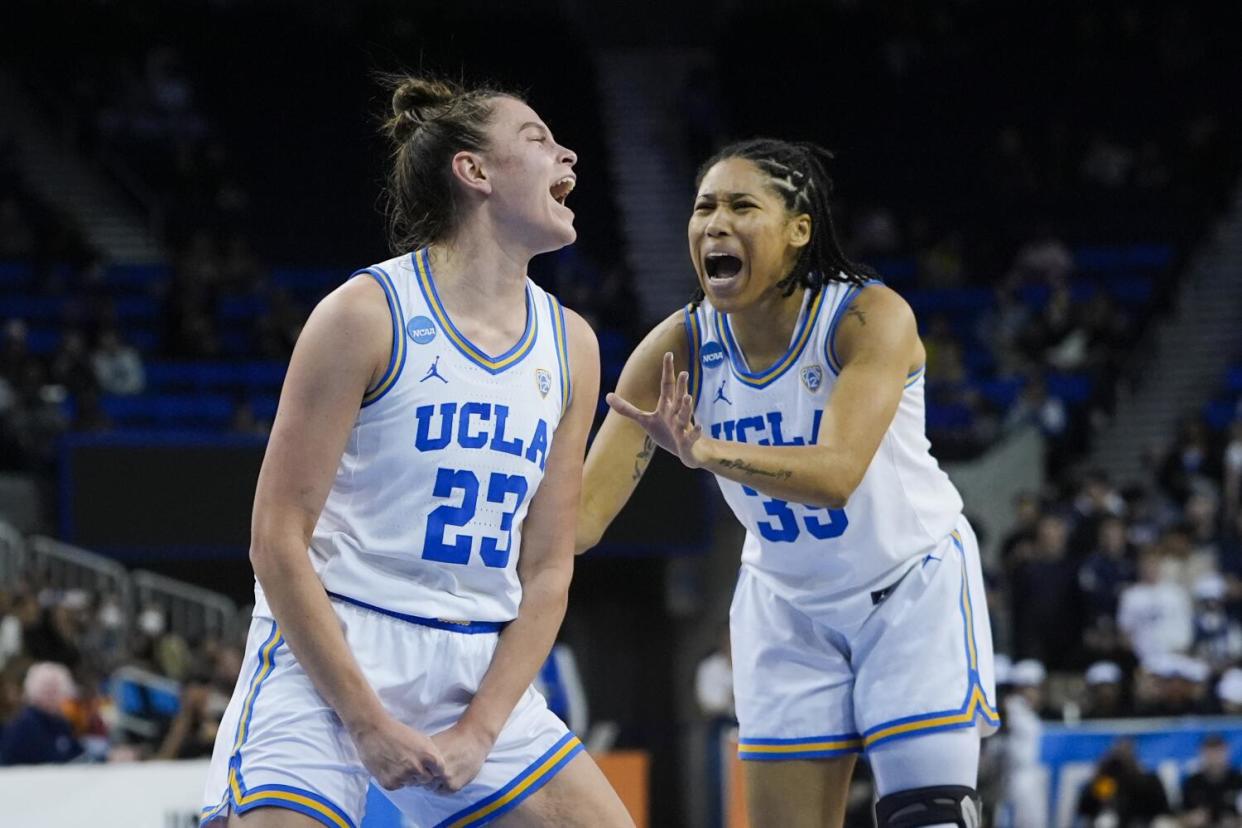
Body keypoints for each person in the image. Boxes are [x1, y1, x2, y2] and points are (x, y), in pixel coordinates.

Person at [200, 76, 633, 828]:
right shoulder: (364, 314)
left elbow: (548, 566)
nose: (566, 152)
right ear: (475, 172)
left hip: (473, 665)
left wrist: (482, 729)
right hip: (331, 646)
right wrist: (364, 721)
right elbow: (276, 540)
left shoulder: (573, 345)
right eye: (536, 138)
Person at [577, 138, 997, 828]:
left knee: (930, 816)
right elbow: (584, 520)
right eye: (704, 206)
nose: (716, 222)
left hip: (909, 587)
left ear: (800, 230)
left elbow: (836, 475)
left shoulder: (868, 317)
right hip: (785, 605)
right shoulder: (676, 347)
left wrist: (706, 450)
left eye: (743, 205)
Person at [0, 661, 82, 766]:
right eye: (46, 691)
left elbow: (76, 754)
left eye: (56, 690)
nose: (51, 696)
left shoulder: (61, 722)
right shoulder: (24, 724)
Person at [1180, 733, 1242, 827]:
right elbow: (1179, 815)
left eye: (1218, 752)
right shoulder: (1192, 782)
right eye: (1210, 752)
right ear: (1202, 753)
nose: (1214, 757)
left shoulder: (1238, 780)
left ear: (1227, 752)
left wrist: (1235, 821)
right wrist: (1191, 819)